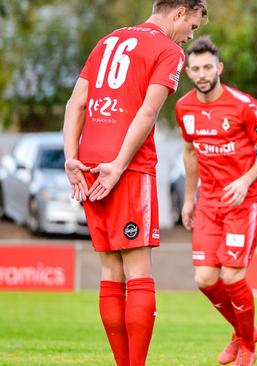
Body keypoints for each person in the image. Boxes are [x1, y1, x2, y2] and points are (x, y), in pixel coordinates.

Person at [62, 1, 207, 365]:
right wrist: (119, 164)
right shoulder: (167, 50)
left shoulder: (108, 40)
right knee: (138, 272)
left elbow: (76, 103)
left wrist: (70, 157)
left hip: (90, 161)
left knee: (111, 271)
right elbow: (147, 111)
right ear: (179, 13)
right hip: (126, 166)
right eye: (191, 26)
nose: (190, 37)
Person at [174, 36, 257, 366]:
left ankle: (247, 347)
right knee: (204, 279)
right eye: (195, 69)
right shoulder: (184, 108)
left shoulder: (243, 105)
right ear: (188, 72)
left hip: (243, 202)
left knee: (232, 276)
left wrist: (245, 180)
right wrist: (189, 199)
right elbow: (190, 153)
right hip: (208, 203)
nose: (202, 74)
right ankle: (244, 331)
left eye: (207, 67)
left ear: (218, 68)